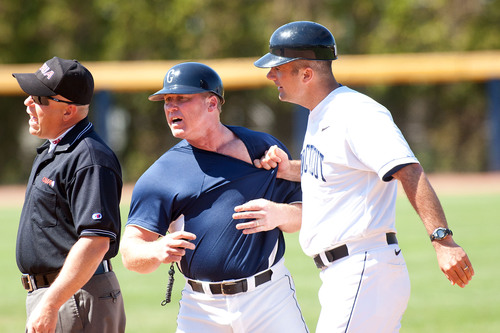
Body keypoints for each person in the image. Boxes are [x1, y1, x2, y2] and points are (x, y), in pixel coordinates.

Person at [253, 21, 474, 332]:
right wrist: (291, 168)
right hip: (352, 273)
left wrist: (443, 241)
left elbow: (408, 169)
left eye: (278, 68)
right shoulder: (321, 112)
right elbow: (339, 170)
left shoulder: (355, 113)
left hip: (362, 268)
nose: (270, 75)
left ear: (306, 74)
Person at [120, 62, 309, 333]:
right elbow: (130, 252)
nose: (171, 107)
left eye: (182, 99)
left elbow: (303, 213)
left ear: (212, 103)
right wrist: (155, 250)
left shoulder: (263, 149)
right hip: (201, 310)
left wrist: (279, 214)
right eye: (167, 100)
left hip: (269, 298)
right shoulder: (160, 175)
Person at [13, 56, 126, 333]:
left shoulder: (89, 157)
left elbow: (96, 241)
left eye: (40, 98)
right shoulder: (56, 150)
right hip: (63, 296)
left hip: (74, 298)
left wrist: (51, 304)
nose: (29, 102)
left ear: (68, 111)